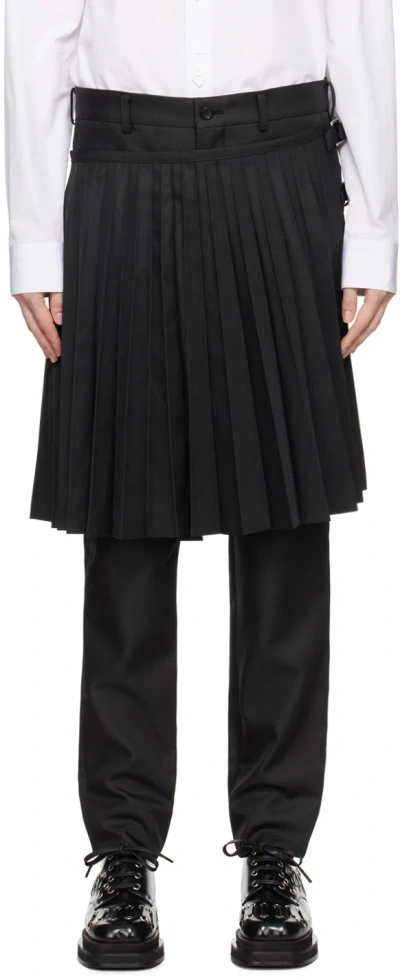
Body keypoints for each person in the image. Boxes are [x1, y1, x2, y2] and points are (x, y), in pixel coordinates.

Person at [4, 0, 397, 971]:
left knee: (284, 531)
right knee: (126, 530)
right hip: (119, 165)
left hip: (282, 163)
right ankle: (122, 853)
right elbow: (33, 22)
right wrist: (35, 237)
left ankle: (274, 853)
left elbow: (361, 15)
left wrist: (375, 230)